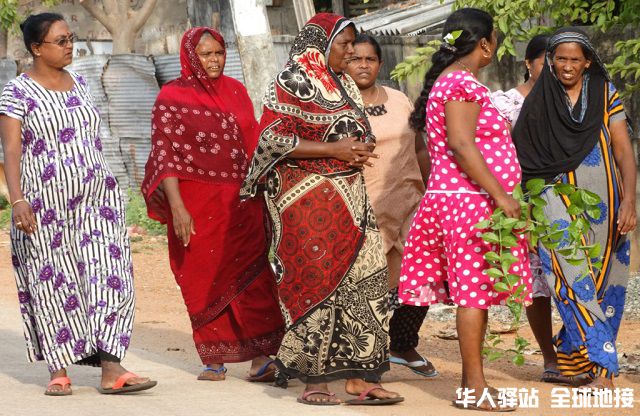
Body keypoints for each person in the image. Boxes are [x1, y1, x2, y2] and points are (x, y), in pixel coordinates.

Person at [240, 13, 402, 406]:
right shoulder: (292, 80)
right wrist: (335, 150)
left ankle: (361, 378)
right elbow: (271, 139)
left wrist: (357, 148)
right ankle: (315, 382)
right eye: (344, 44)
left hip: (352, 199)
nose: (351, 52)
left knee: (366, 283)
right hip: (304, 201)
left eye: (352, 44)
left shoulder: (343, 82)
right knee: (315, 284)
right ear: (321, 43)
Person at [0, 13, 156, 396]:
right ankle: (58, 368)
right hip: (43, 204)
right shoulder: (17, 92)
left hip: (96, 200)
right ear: (37, 48)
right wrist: (17, 198)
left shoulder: (82, 83)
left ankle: (111, 367)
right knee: (53, 278)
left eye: (71, 38)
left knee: (110, 275)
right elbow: (11, 148)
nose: (71, 45)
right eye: (61, 40)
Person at [399, 8, 532, 411]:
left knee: (476, 294)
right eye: (495, 40)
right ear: (485, 44)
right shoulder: (460, 84)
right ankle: (473, 387)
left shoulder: (455, 81)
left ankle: (474, 383)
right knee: (473, 295)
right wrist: (502, 196)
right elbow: (461, 143)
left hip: (460, 201)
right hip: (468, 204)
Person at [141, 27, 284, 382]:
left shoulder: (236, 91)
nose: (214, 60)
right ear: (191, 56)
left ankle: (261, 358)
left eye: (219, 53)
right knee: (202, 276)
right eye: (206, 54)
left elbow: (252, 143)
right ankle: (214, 356)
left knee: (254, 276)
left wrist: (264, 190)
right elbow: (165, 157)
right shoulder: (171, 96)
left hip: (241, 203)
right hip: (195, 204)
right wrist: (177, 208)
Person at [512, 28, 637, 392]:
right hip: (551, 199)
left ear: (587, 61)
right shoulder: (540, 99)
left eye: (574, 59)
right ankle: (603, 366)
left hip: (607, 200)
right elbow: (523, 158)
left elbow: (623, 150)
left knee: (603, 279)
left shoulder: (604, 93)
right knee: (570, 278)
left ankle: (573, 356)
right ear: (551, 61)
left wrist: (630, 200)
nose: (567, 66)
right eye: (560, 59)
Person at [346, 34, 437, 378]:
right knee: (368, 283)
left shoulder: (399, 99)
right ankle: (364, 356)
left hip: (411, 203)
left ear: (380, 64)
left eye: (370, 59)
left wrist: (433, 189)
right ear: (344, 62)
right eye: (356, 59)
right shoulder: (335, 103)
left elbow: (420, 148)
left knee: (422, 274)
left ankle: (402, 342)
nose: (363, 65)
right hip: (363, 209)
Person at [493, 35, 572, 385]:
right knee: (536, 285)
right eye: (546, 60)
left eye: (557, 61)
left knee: (572, 279)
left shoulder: (572, 103)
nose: (554, 68)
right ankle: (550, 357)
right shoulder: (504, 104)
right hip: (523, 204)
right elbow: (496, 159)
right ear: (528, 63)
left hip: (568, 203)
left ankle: (577, 352)